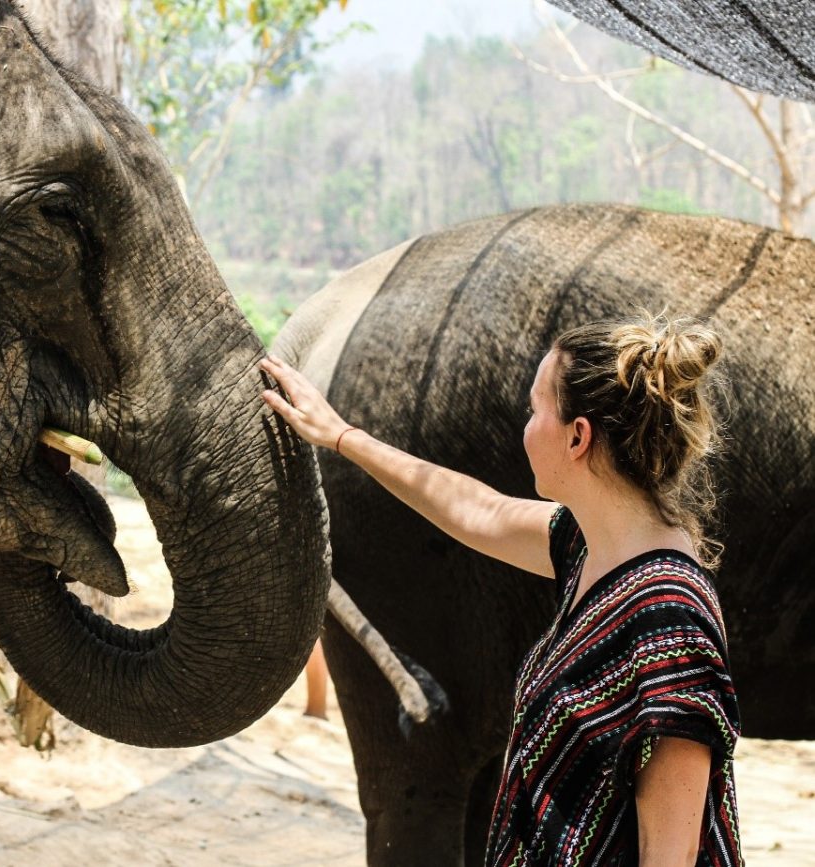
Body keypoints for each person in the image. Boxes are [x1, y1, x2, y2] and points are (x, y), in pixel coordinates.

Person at [260, 313, 742, 866]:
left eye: (535, 411)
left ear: (578, 436)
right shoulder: (590, 549)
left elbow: (673, 855)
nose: (526, 428)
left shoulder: (668, 614)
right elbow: (475, 509)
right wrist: (343, 436)